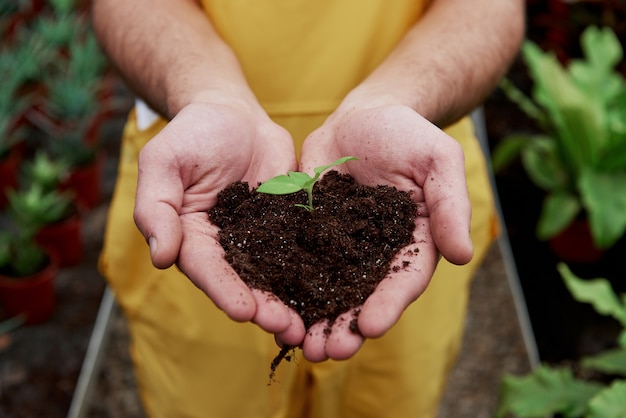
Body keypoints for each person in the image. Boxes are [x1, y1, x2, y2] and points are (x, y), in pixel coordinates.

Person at [92, 1, 524, 417]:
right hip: (204, 180)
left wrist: (398, 100)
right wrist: (208, 94)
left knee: (388, 401)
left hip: (403, 158)